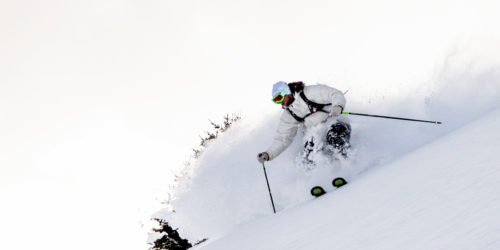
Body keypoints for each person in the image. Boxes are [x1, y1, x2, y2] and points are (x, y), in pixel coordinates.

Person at [257, 81, 351, 164]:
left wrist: (338, 106)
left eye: (279, 98)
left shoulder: (309, 92)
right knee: (310, 151)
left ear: (286, 92)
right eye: (276, 101)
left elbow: (335, 94)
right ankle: (320, 177)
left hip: (333, 121)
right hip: (315, 132)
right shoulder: (290, 113)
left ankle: (349, 162)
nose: (280, 103)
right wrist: (268, 154)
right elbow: (283, 138)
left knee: (334, 136)